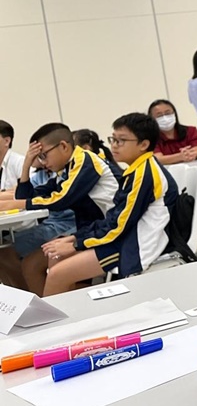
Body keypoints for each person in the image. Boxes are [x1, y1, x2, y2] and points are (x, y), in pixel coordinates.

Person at [40, 113, 177, 296]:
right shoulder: (136, 170)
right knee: (56, 257)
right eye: (113, 139)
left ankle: (56, 315)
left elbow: (119, 225)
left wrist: (77, 244)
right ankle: (71, 310)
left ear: (143, 145)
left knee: (57, 274)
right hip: (123, 237)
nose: (114, 145)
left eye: (121, 141)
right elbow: (115, 217)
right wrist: (75, 238)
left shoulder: (145, 175)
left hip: (135, 246)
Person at [0, 123, 120, 294]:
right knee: (31, 264)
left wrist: (16, 204)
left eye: (43, 155)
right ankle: (44, 306)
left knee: (56, 263)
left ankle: (57, 308)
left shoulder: (85, 161)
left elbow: (61, 200)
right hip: (90, 230)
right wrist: (26, 165)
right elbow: (25, 195)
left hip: (110, 231)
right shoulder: (65, 170)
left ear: (63, 146)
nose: (42, 163)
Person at [148, 99, 197, 165]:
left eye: (167, 113)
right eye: (159, 116)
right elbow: (158, 159)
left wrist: (190, 154)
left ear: (174, 114)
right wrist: (180, 156)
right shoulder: (151, 138)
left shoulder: (191, 130)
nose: (165, 118)